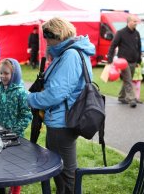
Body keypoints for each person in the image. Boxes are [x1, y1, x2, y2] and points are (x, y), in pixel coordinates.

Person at [27, 17, 95, 194]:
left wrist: (30, 98)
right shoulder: (71, 52)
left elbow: (55, 94)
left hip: (62, 123)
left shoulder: (71, 55)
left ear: (58, 35)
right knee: (61, 174)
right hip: (62, 119)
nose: (46, 41)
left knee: (65, 175)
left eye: (48, 37)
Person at [0, 58, 32, 194]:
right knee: (0, 164)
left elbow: (27, 115)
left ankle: (15, 191)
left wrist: (14, 131)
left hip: (16, 138)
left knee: (15, 166)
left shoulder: (21, 93)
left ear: (15, 74)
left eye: (6, 73)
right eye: (1, 73)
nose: (2, 76)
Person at [107, 14, 141, 108]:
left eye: (136, 21)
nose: (136, 23)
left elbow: (139, 47)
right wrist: (110, 58)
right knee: (128, 79)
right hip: (123, 62)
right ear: (129, 22)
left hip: (134, 61)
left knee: (127, 80)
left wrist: (139, 59)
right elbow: (113, 45)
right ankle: (132, 99)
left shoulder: (136, 33)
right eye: (134, 21)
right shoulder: (120, 33)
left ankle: (121, 97)